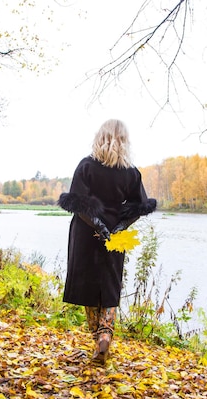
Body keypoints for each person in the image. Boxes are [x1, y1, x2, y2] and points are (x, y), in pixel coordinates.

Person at [57, 119, 157, 364]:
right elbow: (139, 207)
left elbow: (78, 204)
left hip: (85, 233)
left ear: (100, 137)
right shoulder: (131, 173)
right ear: (124, 140)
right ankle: (105, 335)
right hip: (116, 236)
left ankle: (96, 339)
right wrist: (118, 227)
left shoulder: (86, 166)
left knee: (87, 286)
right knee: (110, 286)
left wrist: (98, 225)